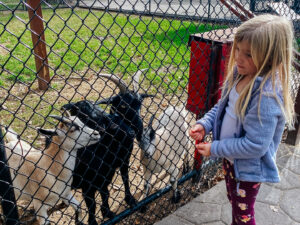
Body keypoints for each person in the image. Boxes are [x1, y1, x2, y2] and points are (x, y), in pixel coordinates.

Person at [189, 14, 295, 225]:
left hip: (248, 169)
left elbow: (255, 145)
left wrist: (215, 148)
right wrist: (205, 124)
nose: (238, 57)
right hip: (232, 161)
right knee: (236, 203)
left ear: (271, 57)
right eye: (237, 49)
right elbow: (222, 107)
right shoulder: (240, 75)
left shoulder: (266, 96)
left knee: (244, 214)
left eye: (248, 54)